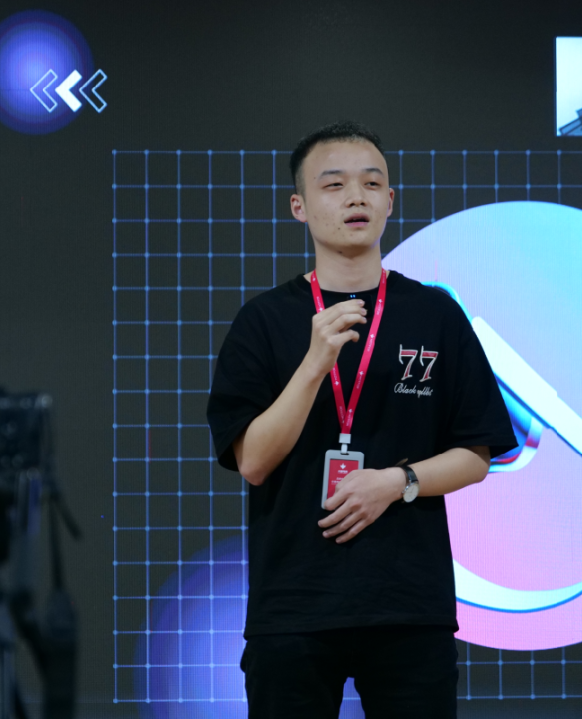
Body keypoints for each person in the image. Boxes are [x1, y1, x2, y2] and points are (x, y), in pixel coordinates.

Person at [206, 121, 518, 719]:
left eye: (372, 184)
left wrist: (396, 483)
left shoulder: (435, 314)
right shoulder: (263, 321)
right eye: (334, 185)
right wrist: (314, 363)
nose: (356, 197)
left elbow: (476, 454)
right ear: (299, 206)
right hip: (293, 606)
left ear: (390, 201)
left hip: (409, 604)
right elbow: (254, 461)